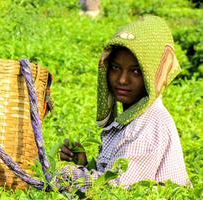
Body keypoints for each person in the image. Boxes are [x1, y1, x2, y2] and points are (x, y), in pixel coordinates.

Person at [58, 15, 191, 192]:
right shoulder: (131, 119)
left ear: (153, 76)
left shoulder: (149, 125)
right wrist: (84, 164)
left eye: (135, 71)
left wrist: (71, 174)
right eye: (115, 68)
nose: (121, 80)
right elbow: (113, 179)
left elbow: (118, 190)